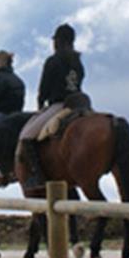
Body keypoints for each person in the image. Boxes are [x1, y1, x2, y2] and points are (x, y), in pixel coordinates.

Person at [17, 23, 85, 190]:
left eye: (55, 40)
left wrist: (40, 103)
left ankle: (37, 175)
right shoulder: (78, 62)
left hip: (60, 104)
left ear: (60, 41)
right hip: (80, 103)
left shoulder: (53, 61)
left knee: (26, 135)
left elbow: (44, 87)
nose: (53, 44)